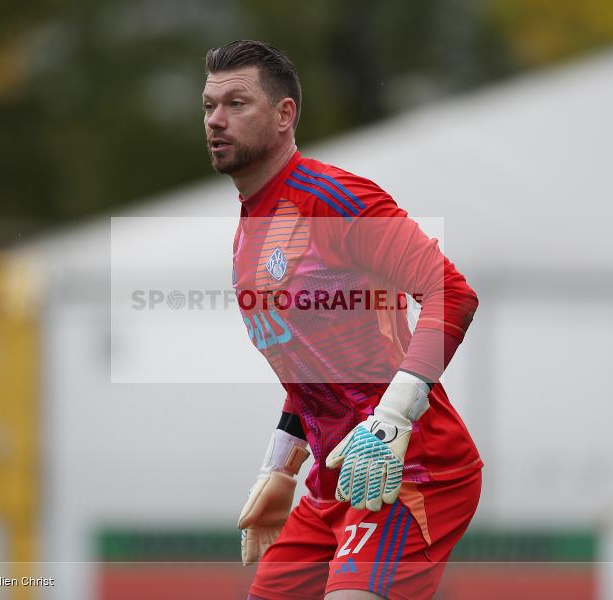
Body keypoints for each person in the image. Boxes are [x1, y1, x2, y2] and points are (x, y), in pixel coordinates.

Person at [203, 40, 482, 600]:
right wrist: (281, 466)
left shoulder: (334, 197)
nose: (215, 120)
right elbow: (315, 367)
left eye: (236, 103)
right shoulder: (249, 230)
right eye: (209, 106)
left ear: (284, 115)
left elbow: (451, 293)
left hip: (411, 466)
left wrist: (392, 420)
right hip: (335, 479)